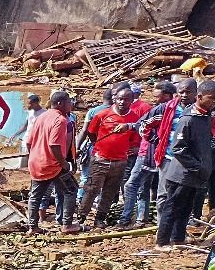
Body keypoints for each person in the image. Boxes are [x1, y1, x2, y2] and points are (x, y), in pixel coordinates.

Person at [156, 80, 215, 248]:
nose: (213, 103)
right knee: (172, 207)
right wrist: (197, 166)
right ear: (200, 97)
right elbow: (178, 148)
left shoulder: (204, 117)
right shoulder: (189, 119)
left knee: (186, 208)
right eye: (211, 99)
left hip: (194, 175)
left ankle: (177, 238)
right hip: (182, 173)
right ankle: (162, 242)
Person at [119, 81, 177, 228]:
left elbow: (143, 125)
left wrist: (155, 140)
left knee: (132, 185)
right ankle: (142, 219)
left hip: (148, 153)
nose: (154, 98)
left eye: (157, 95)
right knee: (145, 188)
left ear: (166, 95)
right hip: (158, 154)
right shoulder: (169, 110)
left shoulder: (164, 110)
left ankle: (126, 219)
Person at [78, 86, 137, 229]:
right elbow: (91, 133)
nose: (122, 102)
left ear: (131, 101)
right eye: (120, 99)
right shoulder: (102, 115)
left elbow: (135, 140)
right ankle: (81, 218)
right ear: (114, 99)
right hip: (100, 159)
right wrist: (100, 146)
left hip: (120, 161)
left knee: (110, 191)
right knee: (91, 189)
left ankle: (100, 219)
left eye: (126, 99)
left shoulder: (134, 118)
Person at [27, 91, 80, 234]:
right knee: (71, 189)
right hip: (52, 164)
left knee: (35, 195)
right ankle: (67, 225)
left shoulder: (41, 117)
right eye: (69, 102)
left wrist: (35, 154)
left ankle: (32, 227)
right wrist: (64, 163)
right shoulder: (60, 120)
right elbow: (54, 145)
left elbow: (28, 142)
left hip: (36, 162)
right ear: (59, 103)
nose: (71, 105)